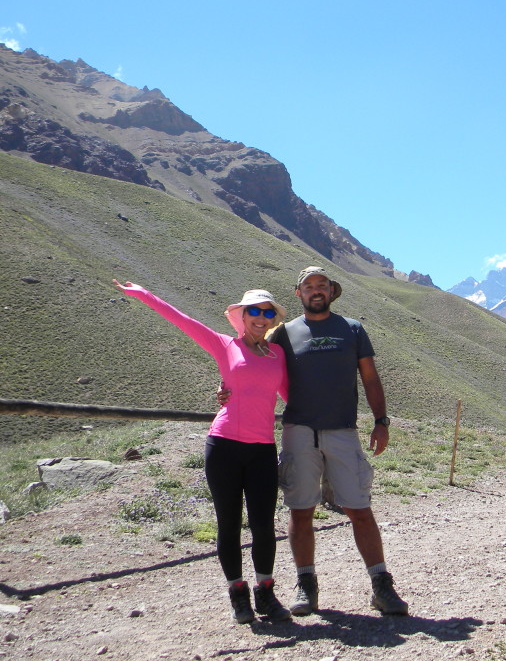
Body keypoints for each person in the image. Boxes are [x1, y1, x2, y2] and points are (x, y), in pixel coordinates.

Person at [222, 266, 408, 616]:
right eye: (309, 286)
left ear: (331, 291)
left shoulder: (352, 329)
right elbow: (250, 362)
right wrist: (227, 391)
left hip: (343, 430)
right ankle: (306, 585)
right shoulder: (283, 334)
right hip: (299, 431)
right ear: (299, 294)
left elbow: (370, 377)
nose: (316, 290)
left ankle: (382, 585)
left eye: (322, 285)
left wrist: (381, 421)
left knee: (359, 509)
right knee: (301, 509)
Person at [114, 280, 292, 625]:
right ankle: (238, 594)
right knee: (228, 525)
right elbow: (183, 321)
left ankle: (265, 593)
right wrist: (144, 294)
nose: (261, 317)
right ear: (241, 316)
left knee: (264, 525)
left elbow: (291, 396)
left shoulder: (278, 355)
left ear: (272, 320)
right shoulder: (225, 345)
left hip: (262, 449)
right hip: (224, 445)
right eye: (254, 310)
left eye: (267, 312)